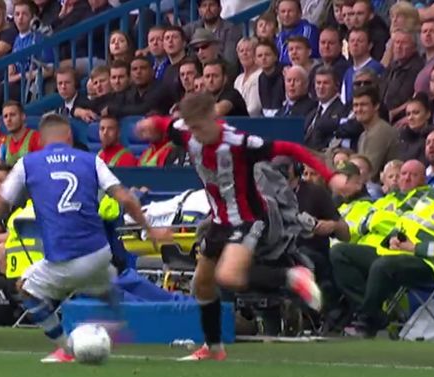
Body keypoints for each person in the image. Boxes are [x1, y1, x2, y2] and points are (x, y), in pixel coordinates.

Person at [135, 93, 349, 361]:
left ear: (215, 117)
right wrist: (150, 124)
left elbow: (292, 149)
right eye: (191, 128)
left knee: (229, 277)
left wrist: (331, 176)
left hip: (248, 216)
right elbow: (164, 124)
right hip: (217, 220)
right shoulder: (185, 131)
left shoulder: (241, 142)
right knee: (202, 283)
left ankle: (292, 277)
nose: (195, 134)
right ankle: (213, 348)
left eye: (200, 127)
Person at [0, 113, 171, 363]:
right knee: (100, 278)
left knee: (26, 290)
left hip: (64, 257)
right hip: (99, 252)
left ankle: (66, 349)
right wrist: (151, 230)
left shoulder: (28, 163)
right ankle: (112, 308)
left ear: (40, 139)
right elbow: (126, 198)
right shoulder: (91, 160)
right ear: (69, 136)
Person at [332, 154, 434, 338]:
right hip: (396, 252)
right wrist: (392, 238)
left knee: (382, 266)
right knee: (340, 253)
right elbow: (405, 220)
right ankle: (376, 315)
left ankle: (366, 321)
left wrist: (414, 248)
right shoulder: (430, 195)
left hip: (429, 265)